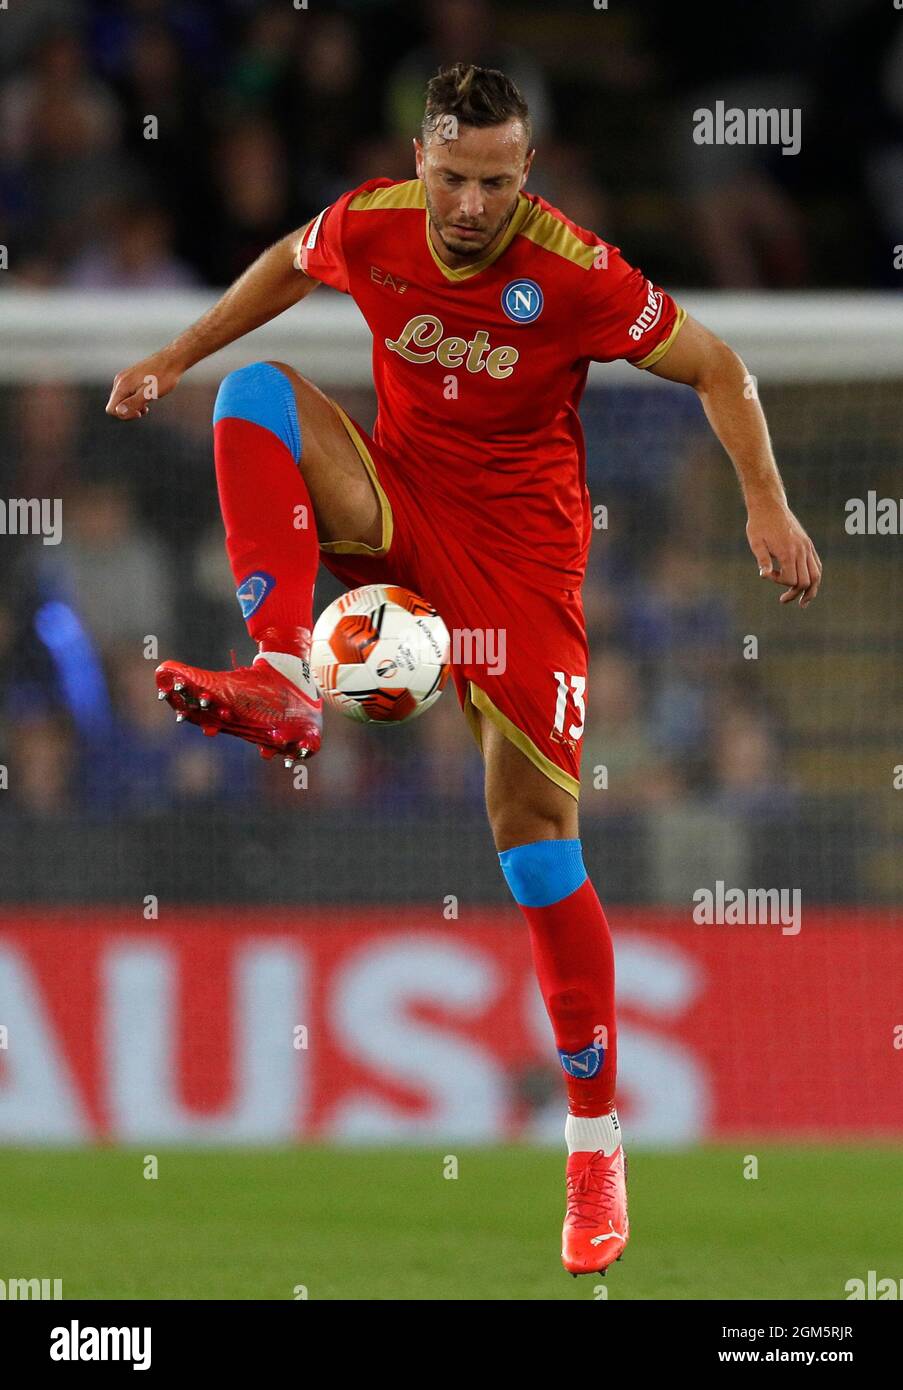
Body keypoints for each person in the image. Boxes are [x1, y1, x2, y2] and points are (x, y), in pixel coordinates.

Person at [105, 62, 822, 1277]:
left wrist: (767, 504)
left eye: (495, 181)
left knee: (537, 842)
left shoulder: (579, 273)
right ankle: (283, 671)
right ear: (420, 162)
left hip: (524, 573)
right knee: (253, 395)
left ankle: (594, 1141)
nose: (472, 205)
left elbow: (718, 365)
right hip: (395, 506)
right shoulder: (376, 224)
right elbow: (289, 258)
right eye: (452, 177)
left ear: (526, 173)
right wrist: (174, 353)